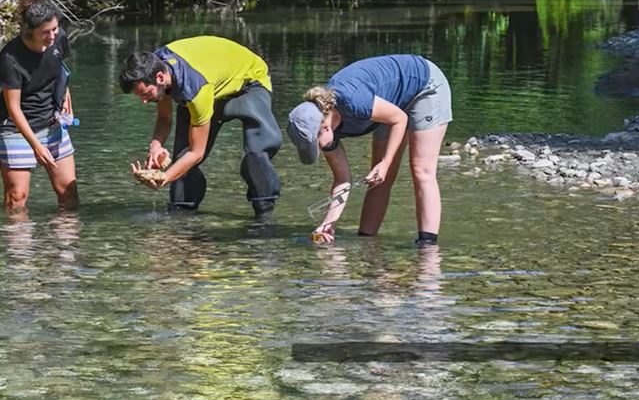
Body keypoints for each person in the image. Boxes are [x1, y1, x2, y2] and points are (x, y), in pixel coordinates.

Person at [286, 54, 452, 246]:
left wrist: (386, 161)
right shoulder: (325, 129)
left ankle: (428, 248)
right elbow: (342, 180)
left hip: (424, 84)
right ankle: (367, 243)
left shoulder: (352, 101)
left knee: (421, 170)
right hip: (388, 104)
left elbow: (399, 118)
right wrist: (329, 223)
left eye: (316, 144)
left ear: (324, 126)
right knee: (379, 178)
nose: (321, 148)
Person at [119, 36, 281, 218]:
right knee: (181, 158)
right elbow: (164, 118)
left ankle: (263, 217)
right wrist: (155, 147)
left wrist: (164, 178)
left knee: (256, 155)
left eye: (146, 94)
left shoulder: (194, 88)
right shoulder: (154, 67)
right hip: (210, 82)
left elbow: (197, 153)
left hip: (248, 83)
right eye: (139, 96)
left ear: (159, 78)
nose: (144, 101)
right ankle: (182, 216)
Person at [0, 0, 79, 213]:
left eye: (55, 29)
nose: (52, 36)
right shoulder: (10, 58)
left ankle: (64, 247)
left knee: (69, 193)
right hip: (15, 128)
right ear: (30, 31)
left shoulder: (59, 38)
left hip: (51, 122)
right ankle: (20, 248)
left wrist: (65, 94)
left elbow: (60, 69)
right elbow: (13, 108)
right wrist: (36, 145)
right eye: (45, 32)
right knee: (17, 197)